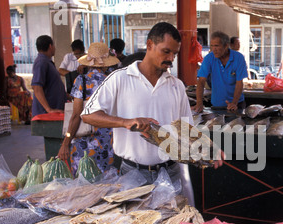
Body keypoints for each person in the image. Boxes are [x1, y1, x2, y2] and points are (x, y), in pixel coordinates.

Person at [81, 22, 223, 205]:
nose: (171, 58)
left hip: (170, 173)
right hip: (133, 175)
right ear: (149, 45)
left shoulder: (176, 86)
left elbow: (187, 130)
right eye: (166, 51)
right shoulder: (119, 78)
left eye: (175, 54)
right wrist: (125, 122)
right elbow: (88, 115)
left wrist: (208, 148)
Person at [57, 42, 119, 176]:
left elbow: (75, 116)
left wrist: (66, 141)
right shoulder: (112, 81)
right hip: (106, 141)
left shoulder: (82, 81)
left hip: (84, 141)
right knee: (104, 182)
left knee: (83, 183)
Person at [193, 31, 248, 113]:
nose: (213, 49)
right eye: (212, 46)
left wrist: (234, 103)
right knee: (216, 126)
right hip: (217, 105)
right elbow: (201, 81)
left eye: (216, 46)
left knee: (236, 125)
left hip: (237, 104)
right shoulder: (209, 58)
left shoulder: (238, 58)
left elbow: (239, 83)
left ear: (226, 46)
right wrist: (199, 102)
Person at [31, 35, 66, 116]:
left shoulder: (47, 62)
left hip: (55, 111)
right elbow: (37, 87)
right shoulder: (41, 62)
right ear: (50, 46)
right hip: (45, 114)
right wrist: (48, 109)